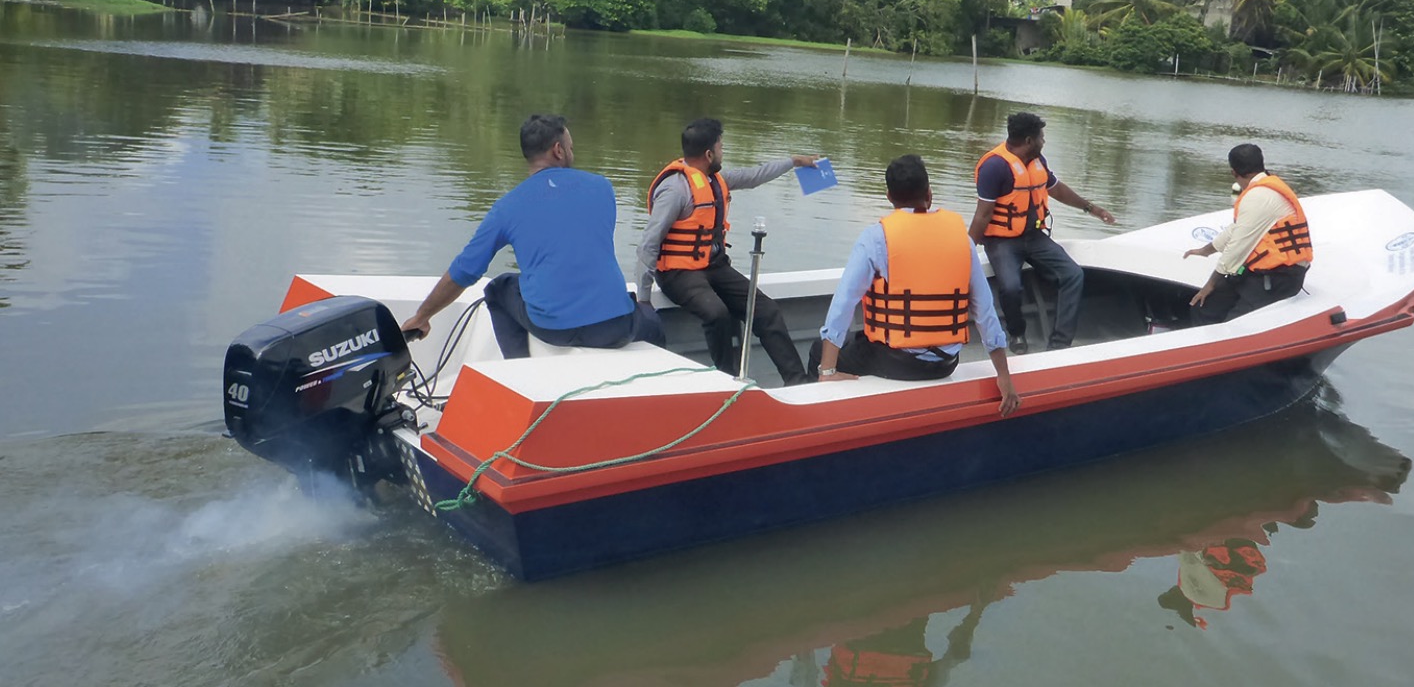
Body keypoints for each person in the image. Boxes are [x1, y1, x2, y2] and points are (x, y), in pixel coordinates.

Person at [400, 114, 664, 356]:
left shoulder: (507, 207)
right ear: (558, 150)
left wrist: (422, 316)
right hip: (615, 327)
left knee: (498, 288)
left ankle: (521, 373)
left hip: (553, 328)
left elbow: (464, 271)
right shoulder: (602, 188)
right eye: (570, 147)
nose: (572, 152)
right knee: (653, 323)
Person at [810, 155, 1018, 416]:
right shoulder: (961, 239)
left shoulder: (876, 238)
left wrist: (828, 371)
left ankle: (819, 409)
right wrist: (1003, 375)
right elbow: (984, 310)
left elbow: (844, 304)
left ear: (889, 196)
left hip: (896, 362)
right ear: (929, 193)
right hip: (946, 362)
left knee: (818, 350)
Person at [637, 117, 816, 386]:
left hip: (714, 267)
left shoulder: (715, 180)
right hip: (678, 273)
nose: (723, 152)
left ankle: (798, 382)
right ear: (709, 154)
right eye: (721, 147)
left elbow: (754, 176)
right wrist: (643, 299)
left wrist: (794, 162)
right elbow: (649, 242)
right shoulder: (675, 189)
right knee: (717, 313)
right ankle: (728, 382)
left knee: (766, 310)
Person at [968, 112, 1116, 354]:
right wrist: (967, 250)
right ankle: (1016, 333)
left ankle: (1059, 344)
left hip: (1035, 237)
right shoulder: (995, 167)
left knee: (1073, 275)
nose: (1044, 141)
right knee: (1011, 287)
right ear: (1028, 140)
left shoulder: (1038, 161)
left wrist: (1092, 208)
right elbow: (982, 215)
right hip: (1002, 241)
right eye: (1041, 137)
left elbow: (1057, 190)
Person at [1183, 143, 1313, 324]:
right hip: (1256, 272)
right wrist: (1206, 250)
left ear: (1234, 173)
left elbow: (1237, 246)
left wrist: (1210, 284)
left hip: (1280, 278)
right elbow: (1237, 229)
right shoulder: (1263, 188)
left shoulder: (1259, 196)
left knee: (1236, 323)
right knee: (1204, 308)